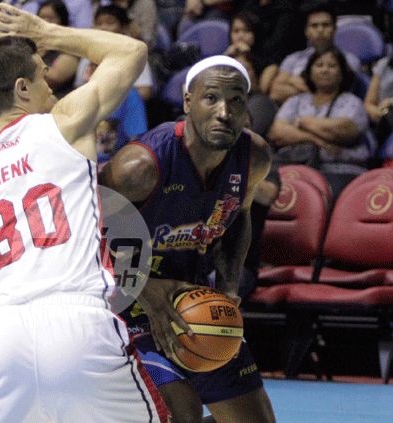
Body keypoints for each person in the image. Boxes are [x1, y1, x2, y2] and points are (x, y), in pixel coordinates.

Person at [0, 4, 168, 422]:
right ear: (23, 88)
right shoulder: (63, 122)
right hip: (77, 320)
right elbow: (131, 51)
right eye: (45, 76)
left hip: (0, 332)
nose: (53, 87)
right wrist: (47, 31)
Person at [99, 55, 276, 423]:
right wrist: (142, 286)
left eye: (236, 100)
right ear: (187, 102)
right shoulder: (141, 167)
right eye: (211, 98)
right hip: (126, 307)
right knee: (183, 415)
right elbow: (81, 227)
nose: (224, 112)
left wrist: (228, 289)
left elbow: (239, 218)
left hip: (197, 301)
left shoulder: (253, 157)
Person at [268, 47, 370, 198]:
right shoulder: (296, 101)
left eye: (332, 66)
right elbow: (278, 132)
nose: (325, 70)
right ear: (309, 71)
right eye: (319, 65)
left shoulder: (352, 102)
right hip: (295, 165)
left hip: (339, 170)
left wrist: (303, 123)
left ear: (342, 73)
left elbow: (345, 130)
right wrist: (315, 139)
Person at [269, 1, 360, 105]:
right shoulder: (293, 59)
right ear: (306, 31)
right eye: (314, 26)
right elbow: (275, 93)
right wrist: (316, 90)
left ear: (334, 29)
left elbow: (334, 96)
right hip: (293, 116)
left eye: (326, 25)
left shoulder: (349, 60)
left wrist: (295, 82)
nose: (320, 30)